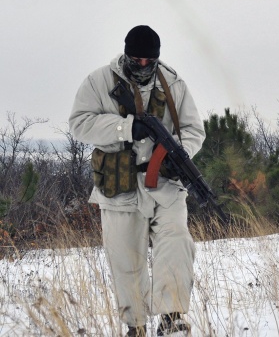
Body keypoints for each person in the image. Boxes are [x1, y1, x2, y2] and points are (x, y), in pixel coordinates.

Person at [69, 25, 205, 336]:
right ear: (126, 53)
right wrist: (126, 128)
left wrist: (179, 154)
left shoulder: (172, 83)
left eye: (149, 60)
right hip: (120, 187)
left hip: (166, 185)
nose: (143, 65)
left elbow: (194, 129)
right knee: (125, 258)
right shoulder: (100, 81)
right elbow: (79, 124)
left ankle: (172, 318)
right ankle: (137, 325)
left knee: (177, 243)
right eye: (137, 59)